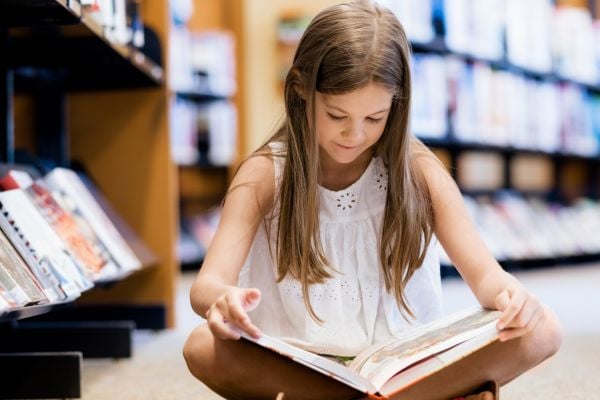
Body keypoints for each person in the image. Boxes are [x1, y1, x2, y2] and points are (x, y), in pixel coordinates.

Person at [183, 1, 562, 399]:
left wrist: (511, 296)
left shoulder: (419, 172)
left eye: (374, 118)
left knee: (543, 327)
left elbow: (486, 278)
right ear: (299, 91)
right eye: (336, 115)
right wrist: (222, 300)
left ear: (396, 107)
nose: (354, 134)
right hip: (300, 361)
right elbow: (206, 285)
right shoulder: (265, 173)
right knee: (201, 346)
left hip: (403, 365)